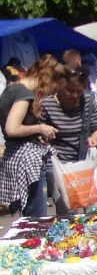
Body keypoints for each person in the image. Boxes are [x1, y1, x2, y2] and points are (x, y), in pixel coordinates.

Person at [41, 65, 97, 215]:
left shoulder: (88, 101)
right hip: (59, 165)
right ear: (60, 85)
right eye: (70, 90)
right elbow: (39, 133)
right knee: (67, 212)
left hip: (85, 163)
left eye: (79, 91)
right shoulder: (47, 104)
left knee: (94, 210)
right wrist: (45, 134)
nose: (75, 95)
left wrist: (94, 138)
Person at [0, 56, 59, 216]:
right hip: (26, 159)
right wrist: (40, 128)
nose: (52, 92)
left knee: (30, 218)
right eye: (53, 88)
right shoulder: (24, 93)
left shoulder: (13, 88)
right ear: (48, 80)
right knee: (37, 220)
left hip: (18, 156)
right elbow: (12, 128)